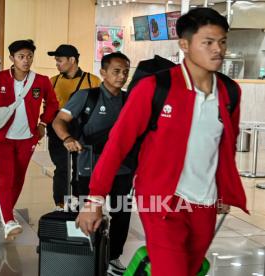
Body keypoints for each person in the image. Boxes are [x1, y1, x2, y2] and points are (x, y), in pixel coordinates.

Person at [76, 8, 248, 276]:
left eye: (222, 41)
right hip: (161, 201)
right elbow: (117, 144)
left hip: (205, 203)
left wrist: (224, 190)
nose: (218, 50)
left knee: (189, 270)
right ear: (185, 45)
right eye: (208, 42)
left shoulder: (230, 92)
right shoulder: (155, 88)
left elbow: (225, 146)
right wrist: (94, 199)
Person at [53, 52, 132, 276]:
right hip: (89, 166)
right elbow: (59, 120)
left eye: (125, 71)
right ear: (103, 72)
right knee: (86, 212)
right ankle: (84, 258)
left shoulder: (130, 100)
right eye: (116, 71)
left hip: (123, 168)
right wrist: (67, 139)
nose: (122, 76)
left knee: (121, 214)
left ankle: (113, 258)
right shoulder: (86, 97)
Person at [0, 39, 58, 240]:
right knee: (5, 178)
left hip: (27, 138)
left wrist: (43, 123)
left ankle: (7, 211)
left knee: (18, 178)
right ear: (12, 58)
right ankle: (8, 219)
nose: (26, 61)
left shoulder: (41, 80)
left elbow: (52, 104)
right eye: (21, 56)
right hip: (2, 138)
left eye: (30, 56)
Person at [47, 44, 101, 211]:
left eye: (59, 60)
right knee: (62, 166)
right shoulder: (53, 81)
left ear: (72, 60)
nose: (57, 64)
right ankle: (61, 203)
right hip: (58, 129)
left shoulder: (92, 80)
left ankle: (79, 201)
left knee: (81, 167)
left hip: (82, 129)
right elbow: (48, 108)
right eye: (56, 60)